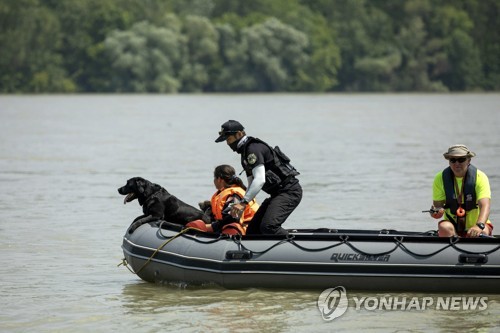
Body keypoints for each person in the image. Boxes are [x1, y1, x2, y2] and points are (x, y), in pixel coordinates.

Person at [215, 120, 302, 235]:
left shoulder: (253, 149)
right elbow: (252, 184)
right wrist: (241, 204)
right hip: (276, 194)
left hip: (289, 192)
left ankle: (293, 248)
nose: (228, 143)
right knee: (252, 231)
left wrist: (243, 203)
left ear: (239, 134)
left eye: (229, 139)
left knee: (269, 227)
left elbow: (260, 180)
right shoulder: (245, 153)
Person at [429, 144, 493, 237]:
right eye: (453, 160)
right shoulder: (440, 178)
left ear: (468, 160)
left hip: (478, 225)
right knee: (444, 227)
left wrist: (479, 226)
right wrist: (435, 213)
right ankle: (451, 247)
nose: (457, 163)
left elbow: (485, 205)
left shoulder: (480, 177)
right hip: (452, 227)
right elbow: (437, 208)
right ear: (449, 161)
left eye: (461, 159)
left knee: (482, 232)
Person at [187, 165, 259, 235]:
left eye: (214, 178)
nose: (214, 181)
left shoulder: (234, 195)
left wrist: (211, 227)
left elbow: (232, 219)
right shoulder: (223, 193)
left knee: (231, 228)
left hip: (247, 230)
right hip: (226, 226)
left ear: (219, 180)